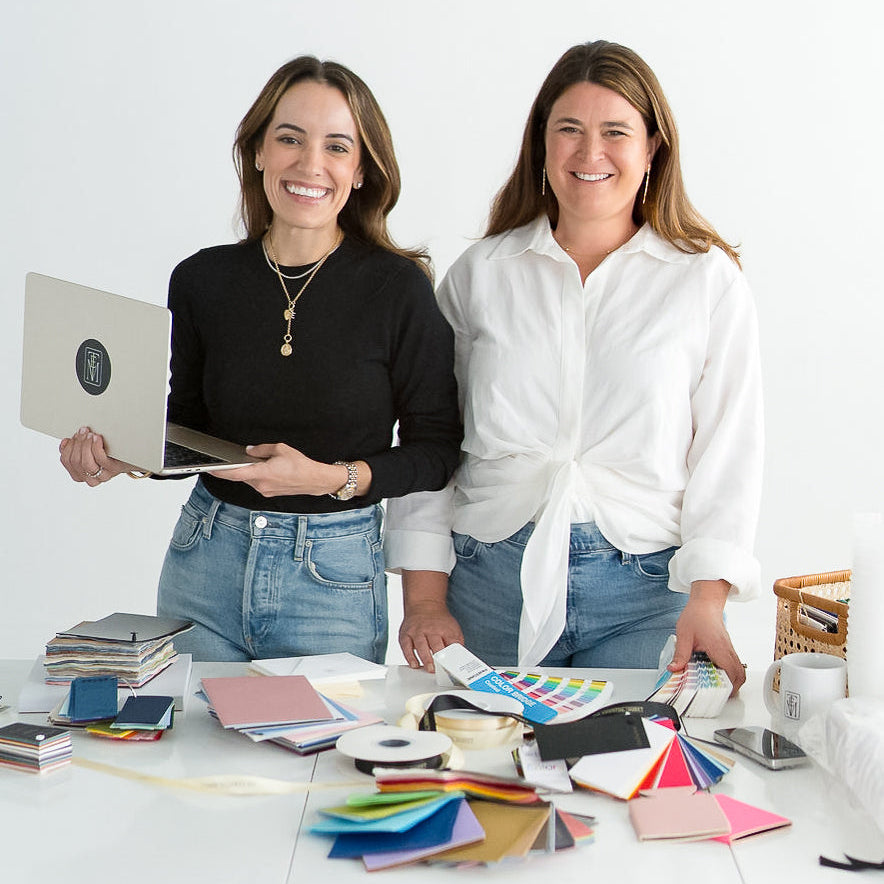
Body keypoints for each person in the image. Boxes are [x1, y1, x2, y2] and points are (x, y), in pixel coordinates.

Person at [58, 56, 462, 664]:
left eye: (336, 147)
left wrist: (330, 479)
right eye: (290, 139)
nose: (310, 164)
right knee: (190, 730)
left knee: (323, 733)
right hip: (205, 560)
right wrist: (123, 453)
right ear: (258, 152)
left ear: (360, 171)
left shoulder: (397, 289)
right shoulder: (201, 279)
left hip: (332, 575)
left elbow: (436, 451)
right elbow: (189, 424)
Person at [386, 40, 762, 691]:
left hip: (647, 593)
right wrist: (422, 598)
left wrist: (708, 600)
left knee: (632, 755)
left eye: (615, 132)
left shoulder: (706, 282)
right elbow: (429, 438)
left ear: (653, 148)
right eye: (569, 130)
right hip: (490, 583)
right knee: (488, 751)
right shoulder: (481, 276)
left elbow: (729, 450)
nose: (590, 154)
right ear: (542, 144)